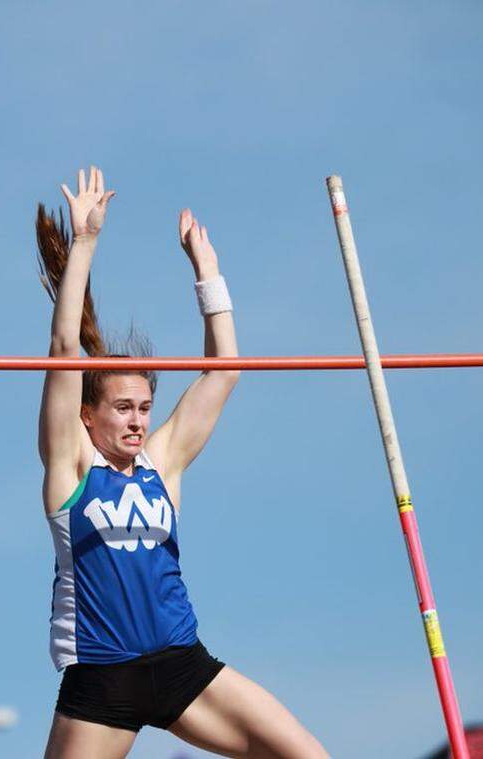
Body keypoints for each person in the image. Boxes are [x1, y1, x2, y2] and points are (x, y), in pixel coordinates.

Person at [36, 166, 330, 759]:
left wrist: (209, 275)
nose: (139, 420)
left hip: (183, 669)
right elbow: (66, 349)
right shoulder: (71, 468)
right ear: (88, 417)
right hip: (102, 682)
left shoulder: (160, 463)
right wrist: (86, 242)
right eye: (123, 408)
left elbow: (224, 370)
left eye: (145, 407)